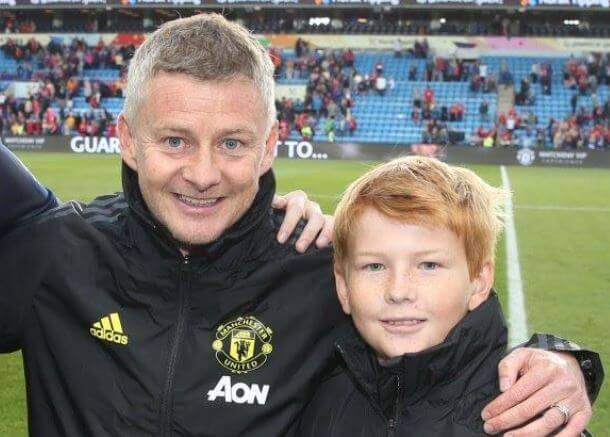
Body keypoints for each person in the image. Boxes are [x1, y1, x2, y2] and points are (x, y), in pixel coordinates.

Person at [0, 14, 603, 437]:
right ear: (129, 140)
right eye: (175, 140)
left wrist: (559, 360)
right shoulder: (56, 253)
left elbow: (444, 344)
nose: (203, 173)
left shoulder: (320, 271)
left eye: (232, 143)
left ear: (269, 147)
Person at [298, 157, 602, 436]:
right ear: (343, 286)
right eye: (374, 266)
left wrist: (568, 360)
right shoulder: (315, 392)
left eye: (429, 265)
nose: (399, 291)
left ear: (479, 281)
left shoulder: (526, 414)